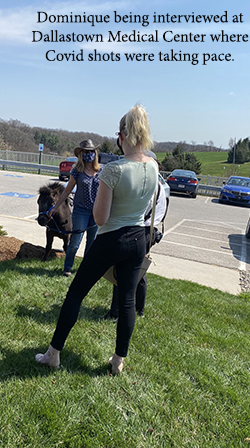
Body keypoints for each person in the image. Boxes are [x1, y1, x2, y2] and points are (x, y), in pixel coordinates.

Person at [35, 105, 158, 375]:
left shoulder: (113, 171)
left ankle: (53, 354)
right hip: (138, 239)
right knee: (127, 301)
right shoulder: (153, 166)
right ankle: (118, 361)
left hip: (112, 238)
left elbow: (100, 218)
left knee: (75, 293)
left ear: (122, 135)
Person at [104, 178, 167, 321]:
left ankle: (116, 312)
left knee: (123, 270)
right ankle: (139, 308)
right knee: (138, 270)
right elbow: (160, 213)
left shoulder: (148, 184)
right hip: (147, 231)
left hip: (137, 230)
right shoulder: (159, 186)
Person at [48, 140, 102, 276]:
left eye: (90, 151)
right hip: (81, 212)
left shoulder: (100, 171)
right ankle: (67, 267)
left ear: (95, 153)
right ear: (81, 154)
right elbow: (67, 191)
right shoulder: (77, 171)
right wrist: (56, 206)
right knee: (75, 243)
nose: (88, 154)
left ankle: (86, 268)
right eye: (85, 152)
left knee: (92, 243)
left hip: (95, 212)